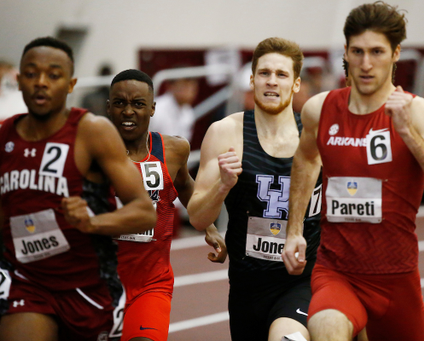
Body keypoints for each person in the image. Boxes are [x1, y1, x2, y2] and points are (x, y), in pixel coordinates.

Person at [282, 2, 424, 341]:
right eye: (358, 52)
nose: (366, 64)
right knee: (325, 330)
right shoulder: (319, 109)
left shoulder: (420, 113)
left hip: (396, 279)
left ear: (396, 53)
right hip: (336, 271)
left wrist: (408, 132)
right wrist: (294, 229)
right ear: (346, 52)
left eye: (377, 52)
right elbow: (306, 160)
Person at [0, 37, 156, 341]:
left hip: (86, 287)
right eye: (31, 74)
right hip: (27, 281)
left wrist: (92, 222)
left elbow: (144, 211)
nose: (41, 83)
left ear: (71, 84)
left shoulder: (92, 131)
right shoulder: (4, 136)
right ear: (18, 81)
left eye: (54, 75)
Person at [187, 37, 323, 341]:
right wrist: (222, 186)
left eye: (281, 74)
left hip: (302, 281)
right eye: (264, 73)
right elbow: (197, 217)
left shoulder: (314, 137)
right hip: (246, 285)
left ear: (297, 84)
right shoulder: (225, 133)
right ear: (252, 79)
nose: (271, 82)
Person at [107, 69, 226, 341]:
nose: (128, 111)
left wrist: (208, 226)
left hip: (151, 283)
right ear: (108, 107)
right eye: (120, 103)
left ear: (152, 108)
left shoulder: (172, 150)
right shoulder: (89, 153)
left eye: (138, 104)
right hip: (97, 283)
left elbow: (184, 184)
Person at [149, 75, 198, 142]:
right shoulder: (156, 110)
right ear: (171, 86)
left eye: (192, 87)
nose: (189, 92)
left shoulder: (188, 112)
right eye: (185, 87)